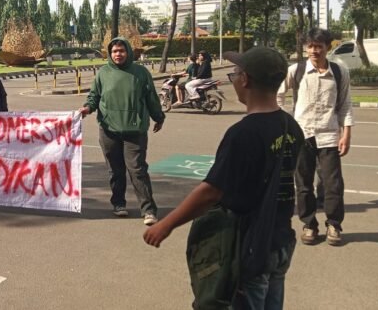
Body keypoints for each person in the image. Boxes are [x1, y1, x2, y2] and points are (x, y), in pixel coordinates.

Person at [144, 47, 305, 309]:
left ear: (246, 79)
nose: (234, 78)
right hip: (279, 241)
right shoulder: (290, 125)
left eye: (235, 73)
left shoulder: (244, 133)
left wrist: (167, 224)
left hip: (248, 245)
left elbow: (211, 192)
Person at [277, 28, 352, 246]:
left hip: (329, 135)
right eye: (310, 46)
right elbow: (278, 94)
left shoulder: (339, 72)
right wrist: (286, 122)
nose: (314, 50)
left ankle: (334, 224)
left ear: (328, 47)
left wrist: (346, 133)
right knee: (303, 184)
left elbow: (345, 105)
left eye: (319, 46)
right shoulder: (296, 70)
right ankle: (309, 223)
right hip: (302, 135)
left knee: (333, 184)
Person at [79, 37, 165, 224]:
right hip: (109, 130)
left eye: (121, 51)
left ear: (128, 52)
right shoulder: (103, 73)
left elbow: (151, 97)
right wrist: (87, 108)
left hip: (134, 130)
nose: (118, 54)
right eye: (115, 51)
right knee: (115, 171)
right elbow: (94, 96)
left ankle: (148, 210)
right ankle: (119, 204)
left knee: (137, 170)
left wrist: (158, 117)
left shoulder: (140, 73)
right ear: (110, 54)